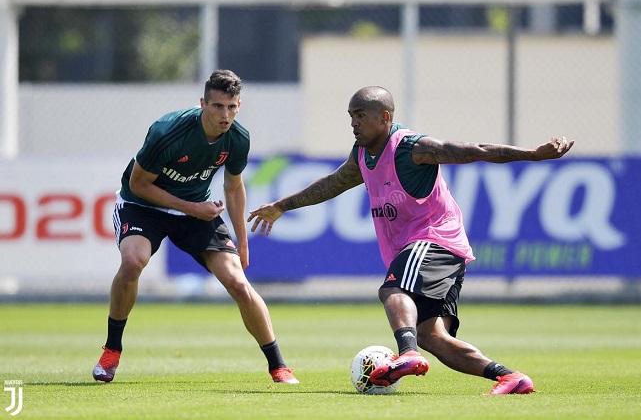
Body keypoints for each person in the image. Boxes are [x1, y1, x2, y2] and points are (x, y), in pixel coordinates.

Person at [248, 86, 574, 394]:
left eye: (361, 115)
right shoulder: (362, 153)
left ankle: (407, 354)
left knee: (392, 290)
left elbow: (475, 151)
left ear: (385, 117)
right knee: (431, 335)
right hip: (428, 247)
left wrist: (533, 154)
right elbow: (333, 183)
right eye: (351, 115)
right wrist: (281, 206)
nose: (354, 122)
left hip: (435, 238)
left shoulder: (412, 148)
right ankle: (510, 377)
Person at [92, 69, 298, 385]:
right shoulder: (168, 132)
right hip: (142, 206)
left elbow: (233, 188)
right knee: (133, 262)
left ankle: (279, 367)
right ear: (203, 103)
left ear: (239, 106)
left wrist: (243, 241)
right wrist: (193, 208)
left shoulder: (238, 138)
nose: (224, 115)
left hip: (196, 213)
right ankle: (112, 351)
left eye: (231, 107)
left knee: (238, 283)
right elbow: (139, 183)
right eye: (217, 106)